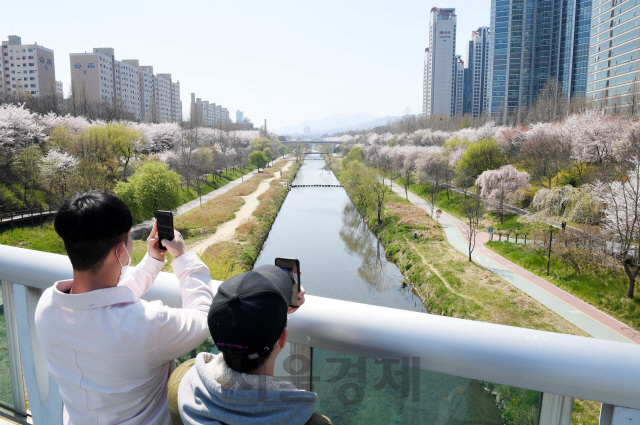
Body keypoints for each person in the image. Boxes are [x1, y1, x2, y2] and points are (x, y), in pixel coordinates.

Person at [35, 190, 214, 425]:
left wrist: (153, 261)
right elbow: (203, 317)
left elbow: (108, 299)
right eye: (129, 239)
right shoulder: (148, 323)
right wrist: (182, 257)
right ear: (121, 251)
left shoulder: (48, 306)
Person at [171, 265, 330, 425]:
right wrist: (274, 313)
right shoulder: (312, 422)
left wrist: (274, 311)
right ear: (282, 338)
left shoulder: (180, 383)